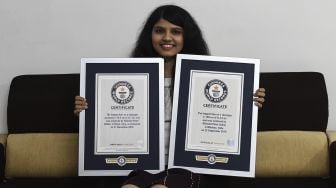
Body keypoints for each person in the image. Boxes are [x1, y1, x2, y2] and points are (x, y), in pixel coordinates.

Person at [74, 5, 265, 188]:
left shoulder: (205, 77)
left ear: (186, 36)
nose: (167, 37)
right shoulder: (132, 78)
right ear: (150, 35)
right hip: (143, 165)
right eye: (159, 30)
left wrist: (248, 100)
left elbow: (225, 116)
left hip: (185, 167)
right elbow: (111, 120)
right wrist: (87, 111)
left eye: (176, 31)